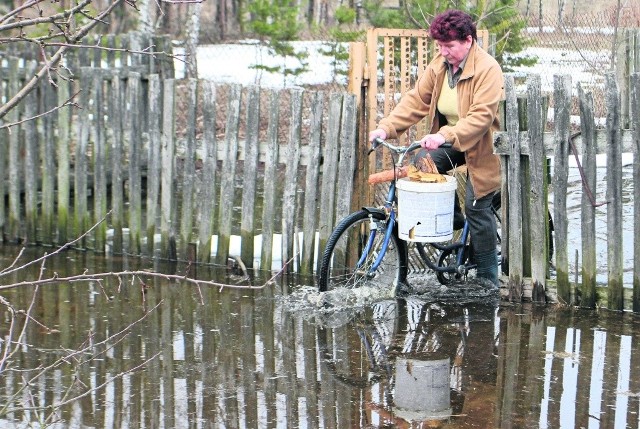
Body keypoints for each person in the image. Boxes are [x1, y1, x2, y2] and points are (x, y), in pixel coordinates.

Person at [368, 9, 504, 287]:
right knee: (423, 160)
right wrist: (387, 127)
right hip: (450, 139)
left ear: (468, 41)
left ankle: (488, 278)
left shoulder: (488, 68)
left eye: (449, 46)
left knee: (478, 207)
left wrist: (445, 134)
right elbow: (416, 100)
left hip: (483, 144)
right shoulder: (439, 67)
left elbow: (481, 117)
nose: (443, 52)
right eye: (439, 46)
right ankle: (452, 217)